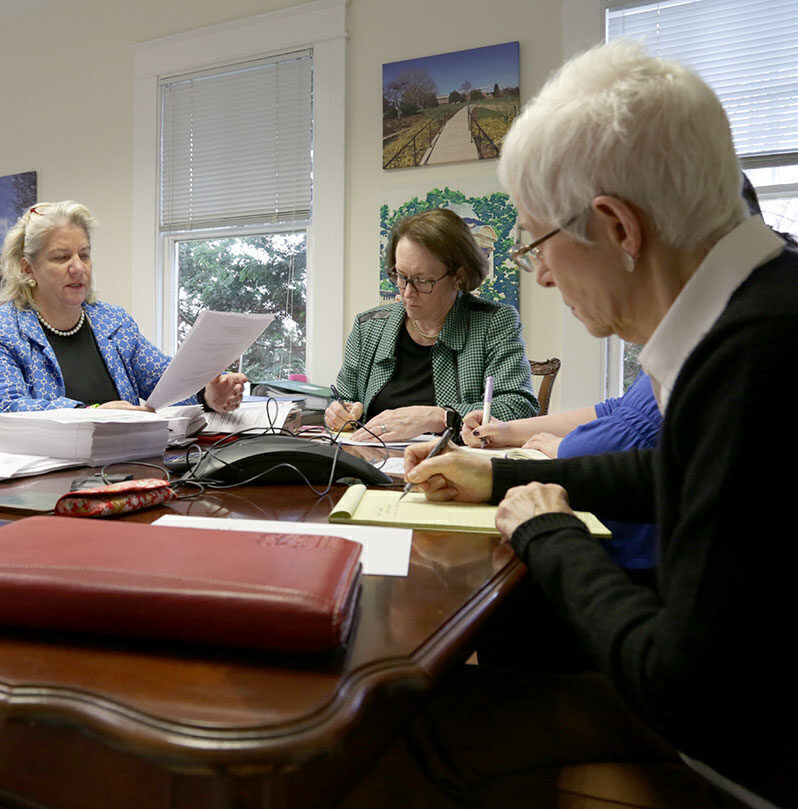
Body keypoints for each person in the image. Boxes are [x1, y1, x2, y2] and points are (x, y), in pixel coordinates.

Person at [345, 40, 797, 808]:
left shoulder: (754, 357)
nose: (544, 275)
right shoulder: (765, 306)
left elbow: (683, 688)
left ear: (617, 225)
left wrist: (548, 532)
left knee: (389, 733)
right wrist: (504, 474)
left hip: (747, 748)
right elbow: (683, 471)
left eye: (538, 244)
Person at [0, 200, 245, 448]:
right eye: (61, 257)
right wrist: (91, 413)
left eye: (84, 254)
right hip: (2, 490)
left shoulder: (113, 322)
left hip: (108, 476)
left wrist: (207, 394)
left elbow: (166, 383)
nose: (78, 266)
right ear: (27, 267)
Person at [325, 208, 537, 442]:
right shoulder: (369, 327)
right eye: (401, 276)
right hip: (372, 467)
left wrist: (439, 417)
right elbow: (343, 400)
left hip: (456, 469)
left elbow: (519, 409)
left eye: (422, 281)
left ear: (459, 276)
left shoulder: (493, 323)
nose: (407, 293)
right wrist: (338, 412)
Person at [463, 370, 662, 573]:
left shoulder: (683, 359)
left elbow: (615, 444)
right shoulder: (663, 360)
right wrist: (508, 431)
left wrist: (561, 446)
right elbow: (616, 409)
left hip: (637, 564)